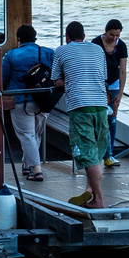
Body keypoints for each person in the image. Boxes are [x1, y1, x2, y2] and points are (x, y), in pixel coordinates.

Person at [51, 20, 109, 208]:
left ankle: (98, 199)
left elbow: (56, 81)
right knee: (96, 151)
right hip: (101, 106)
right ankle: (89, 191)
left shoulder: (61, 50)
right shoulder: (98, 50)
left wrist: (70, 78)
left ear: (67, 37)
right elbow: (103, 75)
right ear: (84, 36)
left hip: (80, 106)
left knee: (86, 152)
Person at [2, 24, 52, 181]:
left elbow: (3, 78)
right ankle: (26, 165)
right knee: (35, 135)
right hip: (44, 100)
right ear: (35, 38)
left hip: (21, 101)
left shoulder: (11, 55)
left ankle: (37, 170)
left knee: (27, 136)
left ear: (19, 40)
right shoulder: (48, 52)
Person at [96, 19, 129, 167]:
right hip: (99, 82)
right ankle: (102, 153)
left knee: (112, 118)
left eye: (117, 35)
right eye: (111, 35)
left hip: (114, 82)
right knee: (101, 117)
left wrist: (120, 93)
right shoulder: (96, 43)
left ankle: (110, 155)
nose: (114, 38)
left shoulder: (121, 46)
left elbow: (122, 70)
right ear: (106, 31)